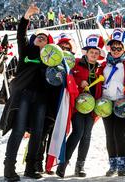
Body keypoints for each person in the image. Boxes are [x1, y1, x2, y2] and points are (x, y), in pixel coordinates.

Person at [0, 4, 55, 181]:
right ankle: (9, 169)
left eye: (44, 38)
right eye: (38, 36)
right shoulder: (26, 51)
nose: (40, 38)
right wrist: (26, 17)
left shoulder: (51, 59)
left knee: (38, 132)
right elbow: (21, 34)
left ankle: (31, 167)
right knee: (19, 129)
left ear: (48, 44)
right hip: (23, 94)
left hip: (41, 98)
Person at [56, 34, 105, 178]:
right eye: (91, 52)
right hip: (77, 105)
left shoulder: (100, 69)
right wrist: (79, 83)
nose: (94, 55)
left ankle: (80, 166)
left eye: (96, 53)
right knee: (78, 132)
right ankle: (63, 163)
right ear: (86, 52)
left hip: (92, 108)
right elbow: (68, 78)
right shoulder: (76, 63)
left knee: (87, 135)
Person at [35, 33, 76, 174]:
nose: (64, 49)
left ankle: (48, 164)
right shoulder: (49, 61)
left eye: (67, 47)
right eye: (62, 46)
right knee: (42, 133)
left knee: (55, 134)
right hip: (47, 102)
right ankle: (37, 162)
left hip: (61, 105)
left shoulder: (71, 65)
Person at [101, 28, 125, 177]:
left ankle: (122, 166)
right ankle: (112, 165)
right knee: (109, 135)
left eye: (119, 48)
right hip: (107, 102)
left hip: (122, 103)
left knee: (118, 134)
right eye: (113, 47)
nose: (115, 50)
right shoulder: (104, 65)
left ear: (123, 48)